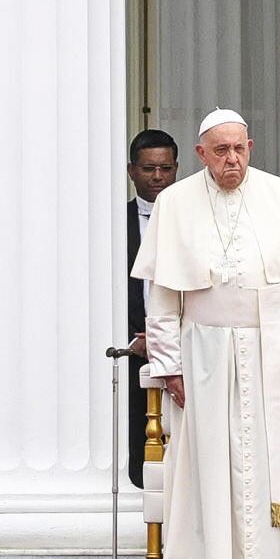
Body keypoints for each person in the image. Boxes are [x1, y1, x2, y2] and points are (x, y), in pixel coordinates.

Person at [132, 110, 280, 559]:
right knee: (205, 467)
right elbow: (160, 297)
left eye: (240, 149)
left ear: (251, 147)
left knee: (275, 465)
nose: (232, 160)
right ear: (201, 155)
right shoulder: (175, 204)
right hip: (204, 354)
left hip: (278, 349)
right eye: (220, 151)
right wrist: (168, 363)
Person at [124, 128, 177, 489]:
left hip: (184, 352)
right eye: (148, 169)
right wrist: (133, 338)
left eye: (166, 168)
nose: (158, 177)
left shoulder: (194, 221)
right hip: (130, 351)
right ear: (132, 171)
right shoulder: (112, 223)